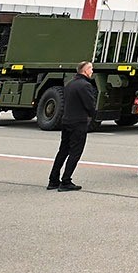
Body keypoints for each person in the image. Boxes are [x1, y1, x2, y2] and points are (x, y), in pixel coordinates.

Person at [48, 62, 99, 190]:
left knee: (63, 150)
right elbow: (89, 104)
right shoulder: (85, 85)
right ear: (85, 71)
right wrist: (94, 116)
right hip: (78, 122)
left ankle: (53, 179)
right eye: (91, 69)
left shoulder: (70, 84)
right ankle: (66, 181)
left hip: (67, 121)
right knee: (75, 152)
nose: (92, 71)